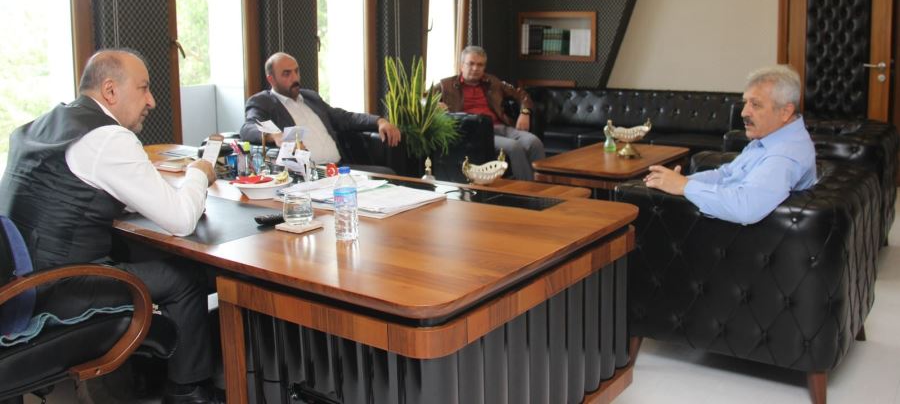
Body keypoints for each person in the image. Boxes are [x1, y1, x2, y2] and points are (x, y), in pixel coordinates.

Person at [0, 49, 223, 403]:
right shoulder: (107, 138)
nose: (151, 101)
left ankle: (156, 376)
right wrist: (198, 173)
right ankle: (189, 392)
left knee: (142, 253)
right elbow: (181, 220)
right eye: (144, 88)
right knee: (185, 277)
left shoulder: (40, 126)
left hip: (22, 279)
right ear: (110, 90)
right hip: (62, 286)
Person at [643, 64, 816, 225]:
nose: (744, 112)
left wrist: (684, 187)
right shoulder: (771, 139)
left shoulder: (786, 154)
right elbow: (727, 174)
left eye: (755, 105)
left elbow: (746, 207)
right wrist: (680, 181)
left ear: (785, 111)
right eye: (746, 102)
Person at [240, 52, 401, 166]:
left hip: (340, 169)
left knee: (389, 178)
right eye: (286, 74)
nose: (295, 78)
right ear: (271, 79)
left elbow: (345, 117)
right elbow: (248, 128)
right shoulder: (263, 102)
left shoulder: (311, 97)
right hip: (308, 174)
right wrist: (275, 135)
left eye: (296, 71)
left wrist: (380, 121)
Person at [436, 45, 545, 180]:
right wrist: (434, 105)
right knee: (513, 147)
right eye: (471, 63)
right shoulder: (446, 85)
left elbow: (521, 95)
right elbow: (421, 99)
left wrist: (525, 112)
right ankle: (528, 188)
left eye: (480, 65)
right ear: (461, 66)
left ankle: (543, 183)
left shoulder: (493, 82)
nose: (475, 68)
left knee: (534, 142)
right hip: (476, 132)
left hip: (500, 127)